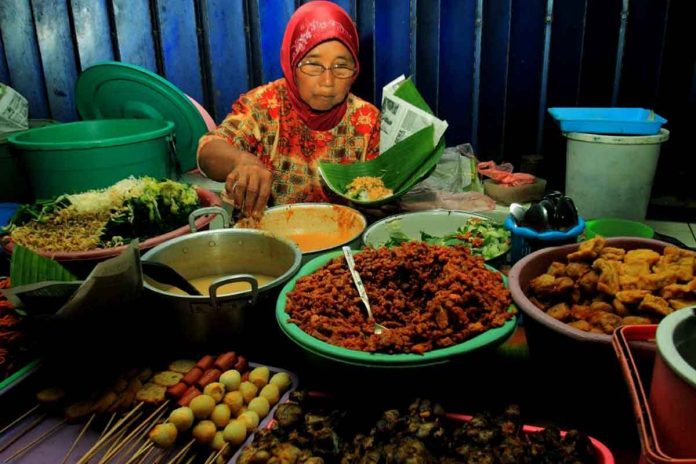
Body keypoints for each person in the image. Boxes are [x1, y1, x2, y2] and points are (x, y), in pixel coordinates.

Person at [197, 1, 380, 218]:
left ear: (355, 69)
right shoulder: (264, 105)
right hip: (266, 239)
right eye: (313, 64)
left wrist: (379, 203)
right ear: (292, 63)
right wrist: (243, 162)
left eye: (341, 65)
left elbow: (378, 191)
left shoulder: (366, 120)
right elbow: (208, 152)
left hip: (343, 240)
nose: (328, 81)